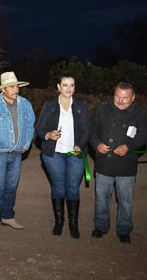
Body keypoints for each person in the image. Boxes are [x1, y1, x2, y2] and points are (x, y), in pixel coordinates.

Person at [90, 82, 147, 244]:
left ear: (133, 97)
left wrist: (128, 146)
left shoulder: (140, 113)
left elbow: (143, 136)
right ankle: (101, 226)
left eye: (125, 98)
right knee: (102, 198)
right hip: (103, 164)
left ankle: (124, 229)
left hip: (126, 166)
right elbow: (92, 131)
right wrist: (97, 144)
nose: (120, 101)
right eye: (117, 96)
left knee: (125, 200)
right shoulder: (103, 110)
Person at [0, 71, 35, 236]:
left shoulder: (25, 104)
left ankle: (8, 216)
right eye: (11, 86)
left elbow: (31, 125)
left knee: (12, 186)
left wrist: (26, 143)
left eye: (17, 86)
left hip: (17, 153)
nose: (15, 89)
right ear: (3, 89)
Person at [35, 74, 90, 239]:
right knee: (58, 187)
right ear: (58, 87)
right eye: (65, 85)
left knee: (73, 188)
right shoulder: (50, 105)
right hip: (54, 155)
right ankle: (59, 222)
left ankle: (73, 224)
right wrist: (48, 135)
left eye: (72, 85)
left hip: (75, 154)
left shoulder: (80, 106)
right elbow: (39, 130)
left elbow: (87, 130)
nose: (69, 88)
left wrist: (79, 144)